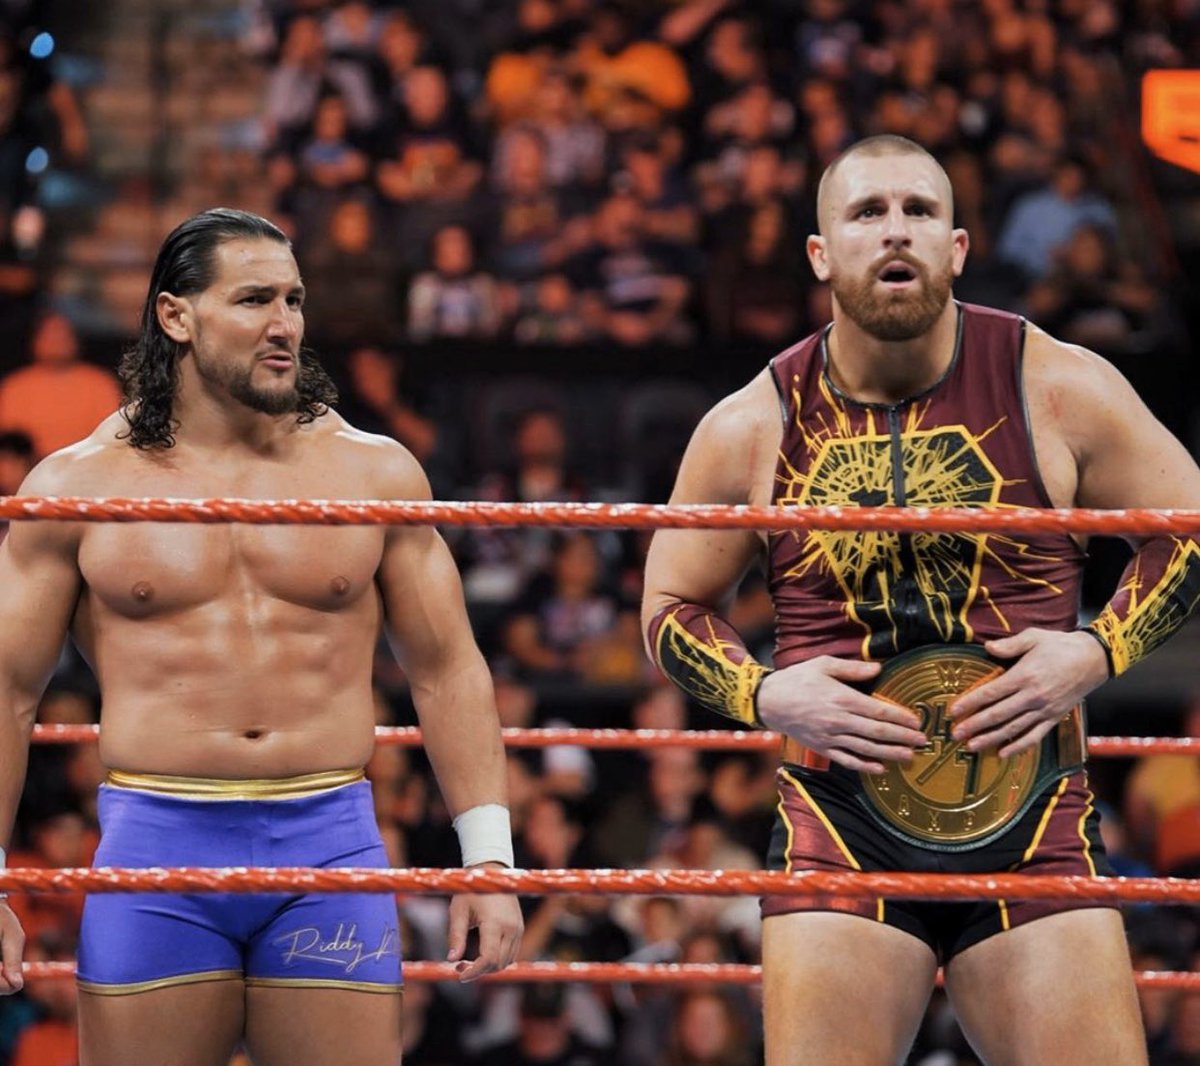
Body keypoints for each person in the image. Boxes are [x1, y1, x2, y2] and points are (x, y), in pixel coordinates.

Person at [641, 134, 1200, 1065]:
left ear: (958, 247)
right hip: (839, 824)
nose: (895, 231)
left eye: (919, 210)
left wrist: (1097, 650)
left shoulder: (1056, 384)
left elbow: (1189, 527)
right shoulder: (752, 422)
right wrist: (762, 692)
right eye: (867, 212)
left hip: (1033, 819)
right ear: (821, 253)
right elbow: (668, 604)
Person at [0, 208, 523, 1064]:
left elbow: (447, 670)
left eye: (294, 300)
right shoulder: (79, 487)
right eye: (253, 300)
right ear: (176, 316)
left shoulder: (373, 473)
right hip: (156, 847)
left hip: (328, 844)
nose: (284, 325)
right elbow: (8, 688)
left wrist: (489, 863)